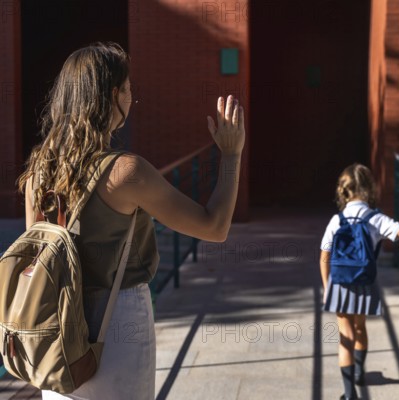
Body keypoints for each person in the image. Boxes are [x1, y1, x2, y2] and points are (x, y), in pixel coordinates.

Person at [17, 42, 245, 399]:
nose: (132, 96)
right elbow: (215, 227)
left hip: (55, 324)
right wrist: (231, 155)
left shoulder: (39, 173)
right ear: (113, 95)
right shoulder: (126, 172)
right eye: (128, 88)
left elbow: (38, 257)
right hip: (118, 321)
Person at [319, 163, 399, 400]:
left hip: (340, 283)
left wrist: (327, 287)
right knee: (360, 327)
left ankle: (349, 394)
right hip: (365, 282)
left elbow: (324, 256)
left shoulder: (336, 220)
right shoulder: (375, 218)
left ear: (343, 190)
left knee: (345, 337)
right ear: (370, 188)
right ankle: (359, 372)